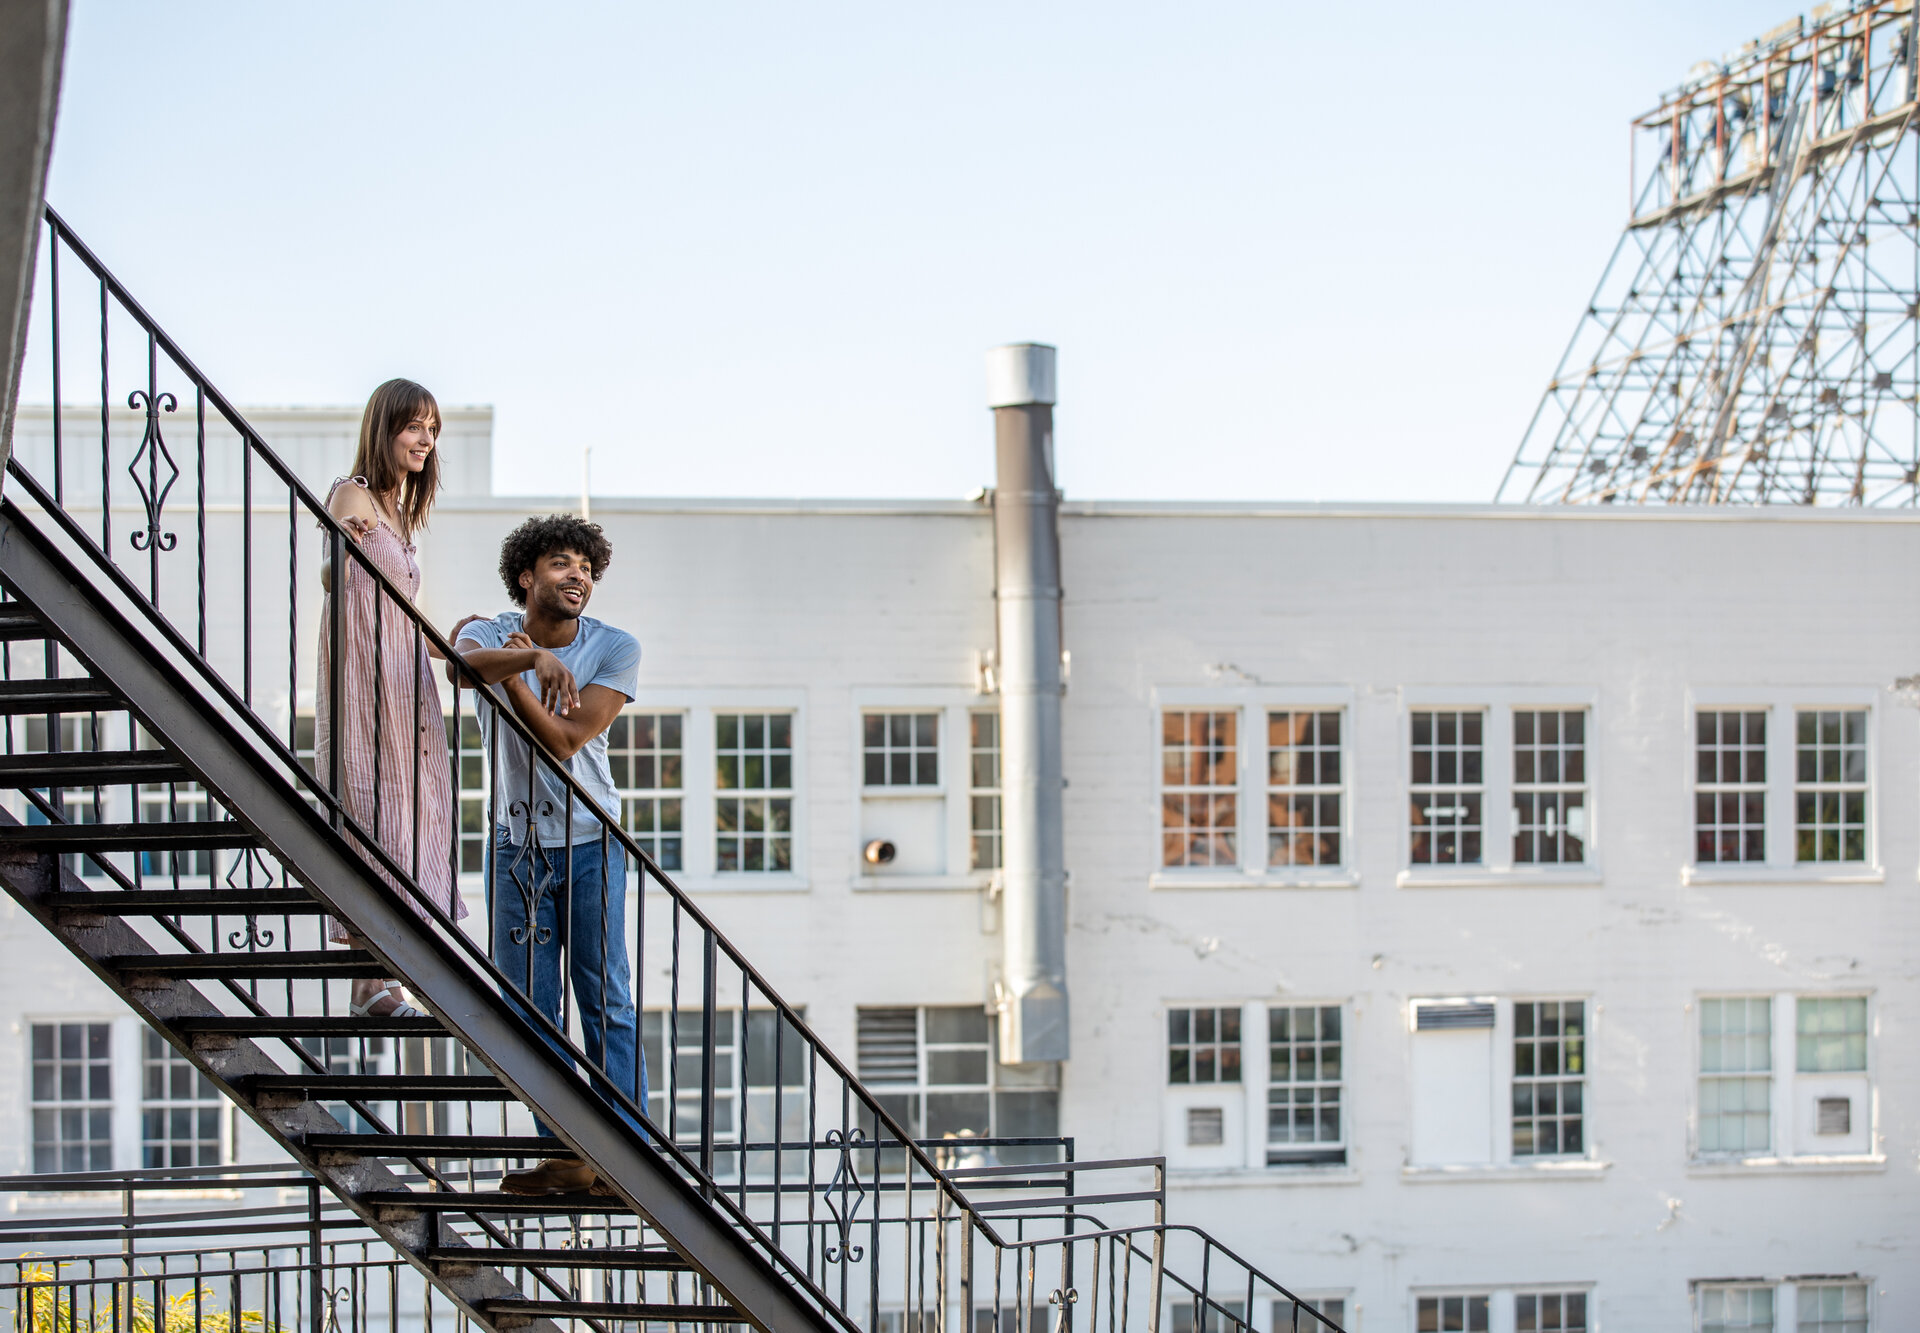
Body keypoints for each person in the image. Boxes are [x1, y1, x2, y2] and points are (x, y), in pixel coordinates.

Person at [455, 514, 644, 1196]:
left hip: (593, 842)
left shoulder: (615, 647)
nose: (579, 577)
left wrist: (512, 682)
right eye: (563, 563)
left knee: (605, 998)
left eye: (588, 569)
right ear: (527, 575)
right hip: (515, 847)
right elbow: (460, 663)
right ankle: (566, 1153)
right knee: (529, 1005)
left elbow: (563, 742)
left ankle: (628, 1148)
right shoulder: (487, 632)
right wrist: (528, 659)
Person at [317, 378, 472, 1019]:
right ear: (386, 429)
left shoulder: (400, 512)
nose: (425, 440)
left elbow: (404, 611)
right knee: (373, 808)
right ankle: (372, 981)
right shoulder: (352, 492)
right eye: (414, 427)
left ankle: (383, 974)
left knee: (414, 810)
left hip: (404, 674)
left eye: (432, 430)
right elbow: (332, 574)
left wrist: (458, 645)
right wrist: (343, 549)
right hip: (365, 672)